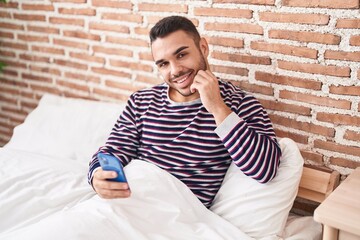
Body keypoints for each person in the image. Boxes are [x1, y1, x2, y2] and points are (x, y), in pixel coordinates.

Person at [88, 15, 281, 208]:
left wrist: (217, 107)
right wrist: (97, 176)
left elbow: (265, 170)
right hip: (131, 203)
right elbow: (112, 151)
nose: (175, 70)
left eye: (181, 55)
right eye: (164, 64)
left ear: (203, 48)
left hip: (178, 216)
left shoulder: (239, 104)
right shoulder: (141, 101)